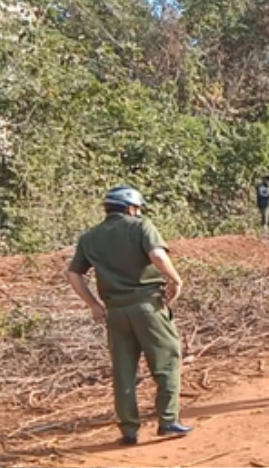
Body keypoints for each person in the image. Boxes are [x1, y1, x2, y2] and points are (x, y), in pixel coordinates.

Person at [63, 186, 192, 445]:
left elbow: (73, 274)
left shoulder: (90, 237)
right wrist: (175, 280)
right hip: (147, 307)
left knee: (123, 371)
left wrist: (94, 305)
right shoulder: (140, 226)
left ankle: (129, 430)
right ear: (131, 208)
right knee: (166, 362)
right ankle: (167, 421)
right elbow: (157, 254)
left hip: (115, 312)